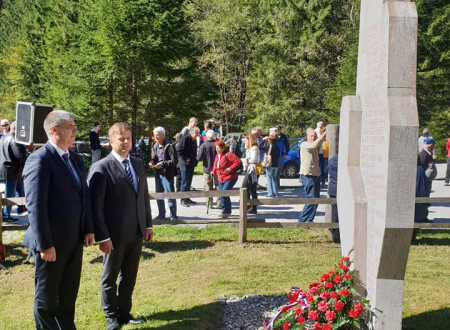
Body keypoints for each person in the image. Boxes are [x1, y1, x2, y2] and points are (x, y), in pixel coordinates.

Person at [22, 110, 95, 329]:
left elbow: (84, 196)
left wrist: (88, 229)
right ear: (54, 130)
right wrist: (45, 244)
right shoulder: (40, 160)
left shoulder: (74, 158)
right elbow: (35, 206)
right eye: (70, 127)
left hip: (74, 240)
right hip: (51, 244)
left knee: (68, 294)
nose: (75, 131)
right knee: (46, 299)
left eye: (75, 126)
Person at [88, 122, 153, 330]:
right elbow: (95, 207)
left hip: (136, 232)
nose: (126, 142)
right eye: (121, 139)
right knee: (110, 277)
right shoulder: (102, 167)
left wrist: (148, 225)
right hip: (113, 236)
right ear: (111, 142)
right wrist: (103, 236)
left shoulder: (137, 164)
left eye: (128, 138)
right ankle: (111, 317)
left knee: (129, 276)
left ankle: (124, 312)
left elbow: (143, 198)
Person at [149, 126, 178, 221]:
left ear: (163, 135)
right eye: (154, 135)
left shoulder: (170, 145)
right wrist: (152, 162)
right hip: (158, 173)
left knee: (170, 195)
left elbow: (174, 161)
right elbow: (154, 157)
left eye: (157, 135)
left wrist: (162, 164)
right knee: (159, 195)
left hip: (167, 174)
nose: (156, 137)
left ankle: (173, 216)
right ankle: (161, 215)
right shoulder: (155, 145)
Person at [298, 127, 325, 222]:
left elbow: (317, 145)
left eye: (315, 136)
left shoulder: (313, 146)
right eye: (311, 136)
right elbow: (315, 144)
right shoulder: (305, 144)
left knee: (316, 199)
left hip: (315, 175)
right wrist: (323, 135)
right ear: (307, 136)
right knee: (311, 198)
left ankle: (309, 219)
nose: (313, 137)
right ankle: (302, 219)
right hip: (308, 175)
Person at [211, 140, 241, 218]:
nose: (217, 150)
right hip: (221, 178)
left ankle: (226, 212)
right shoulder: (217, 155)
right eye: (216, 148)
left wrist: (230, 168)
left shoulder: (229, 154)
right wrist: (213, 171)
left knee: (224, 193)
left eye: (219, 148)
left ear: (223, 148)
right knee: (221, 194)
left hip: (230, 177)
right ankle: (226, 211)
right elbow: (215, 165)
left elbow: (238, 162)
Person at [0, 121, 22, 222]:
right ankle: (5, 216)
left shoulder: (4, 137)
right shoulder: (13, 138)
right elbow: (19, 156)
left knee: (10, 193)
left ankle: (6, 214)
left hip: (5, 168)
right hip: (10, 169)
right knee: (10, 194)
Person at [176, 127, 199, 207]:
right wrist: (185, 158)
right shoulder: (185, 139)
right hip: (184, 163)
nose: (198, 135)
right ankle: (183, 200)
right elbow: (178, 149)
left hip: (191, 163)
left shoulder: (194, 140)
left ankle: (187, 198)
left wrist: (195, 160)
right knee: (184, 181)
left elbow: (194, 151)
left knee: (189, 181)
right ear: (192, 132)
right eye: (197, 133)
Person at [197, 129, 220, 209]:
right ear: (213, 136)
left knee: (208, 186)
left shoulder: (203, 145)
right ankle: (219, 202)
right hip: (217, 168)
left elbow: (199, 158)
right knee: (218, 185)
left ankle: (209, 203)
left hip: (207, 168)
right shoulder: (217, 144)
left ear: (206, 137)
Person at [241, 134, 260, 214]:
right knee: (249, 188)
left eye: (246, 140)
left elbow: (254, 159)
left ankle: (253, 207)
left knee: (247, 187)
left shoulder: (254, 148)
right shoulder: (249, 148)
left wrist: (245, 160)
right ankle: (249, 206)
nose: (245, 142)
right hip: (249, 169)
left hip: (252, 170)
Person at [260, 130, 281, 197]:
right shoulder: (277, 146)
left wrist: (263, 140)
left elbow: (259, 146)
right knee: (274, 179)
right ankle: (276, 193)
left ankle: (270, 193)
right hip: (276, 164)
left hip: (270, 164)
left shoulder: (268, 146)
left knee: (269, 179)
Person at [327, 152, 339, 243]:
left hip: (332, 189)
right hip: (340, 189)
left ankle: (335, 237)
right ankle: (339, 236)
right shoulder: (342, 162)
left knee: (335, 214)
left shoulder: (331, 161)